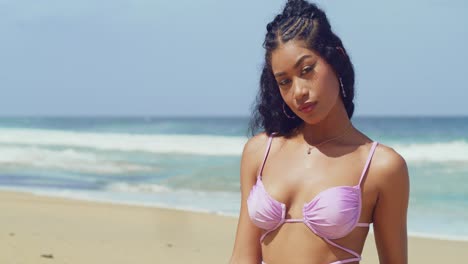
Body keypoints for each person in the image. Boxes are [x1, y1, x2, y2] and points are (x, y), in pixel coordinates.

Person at [229, 1, 409, 263]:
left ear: (335, 59)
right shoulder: (259, 152)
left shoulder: (381, 166)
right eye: (284, 81)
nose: (299, 91)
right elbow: (242, 257)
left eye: (307, 70)